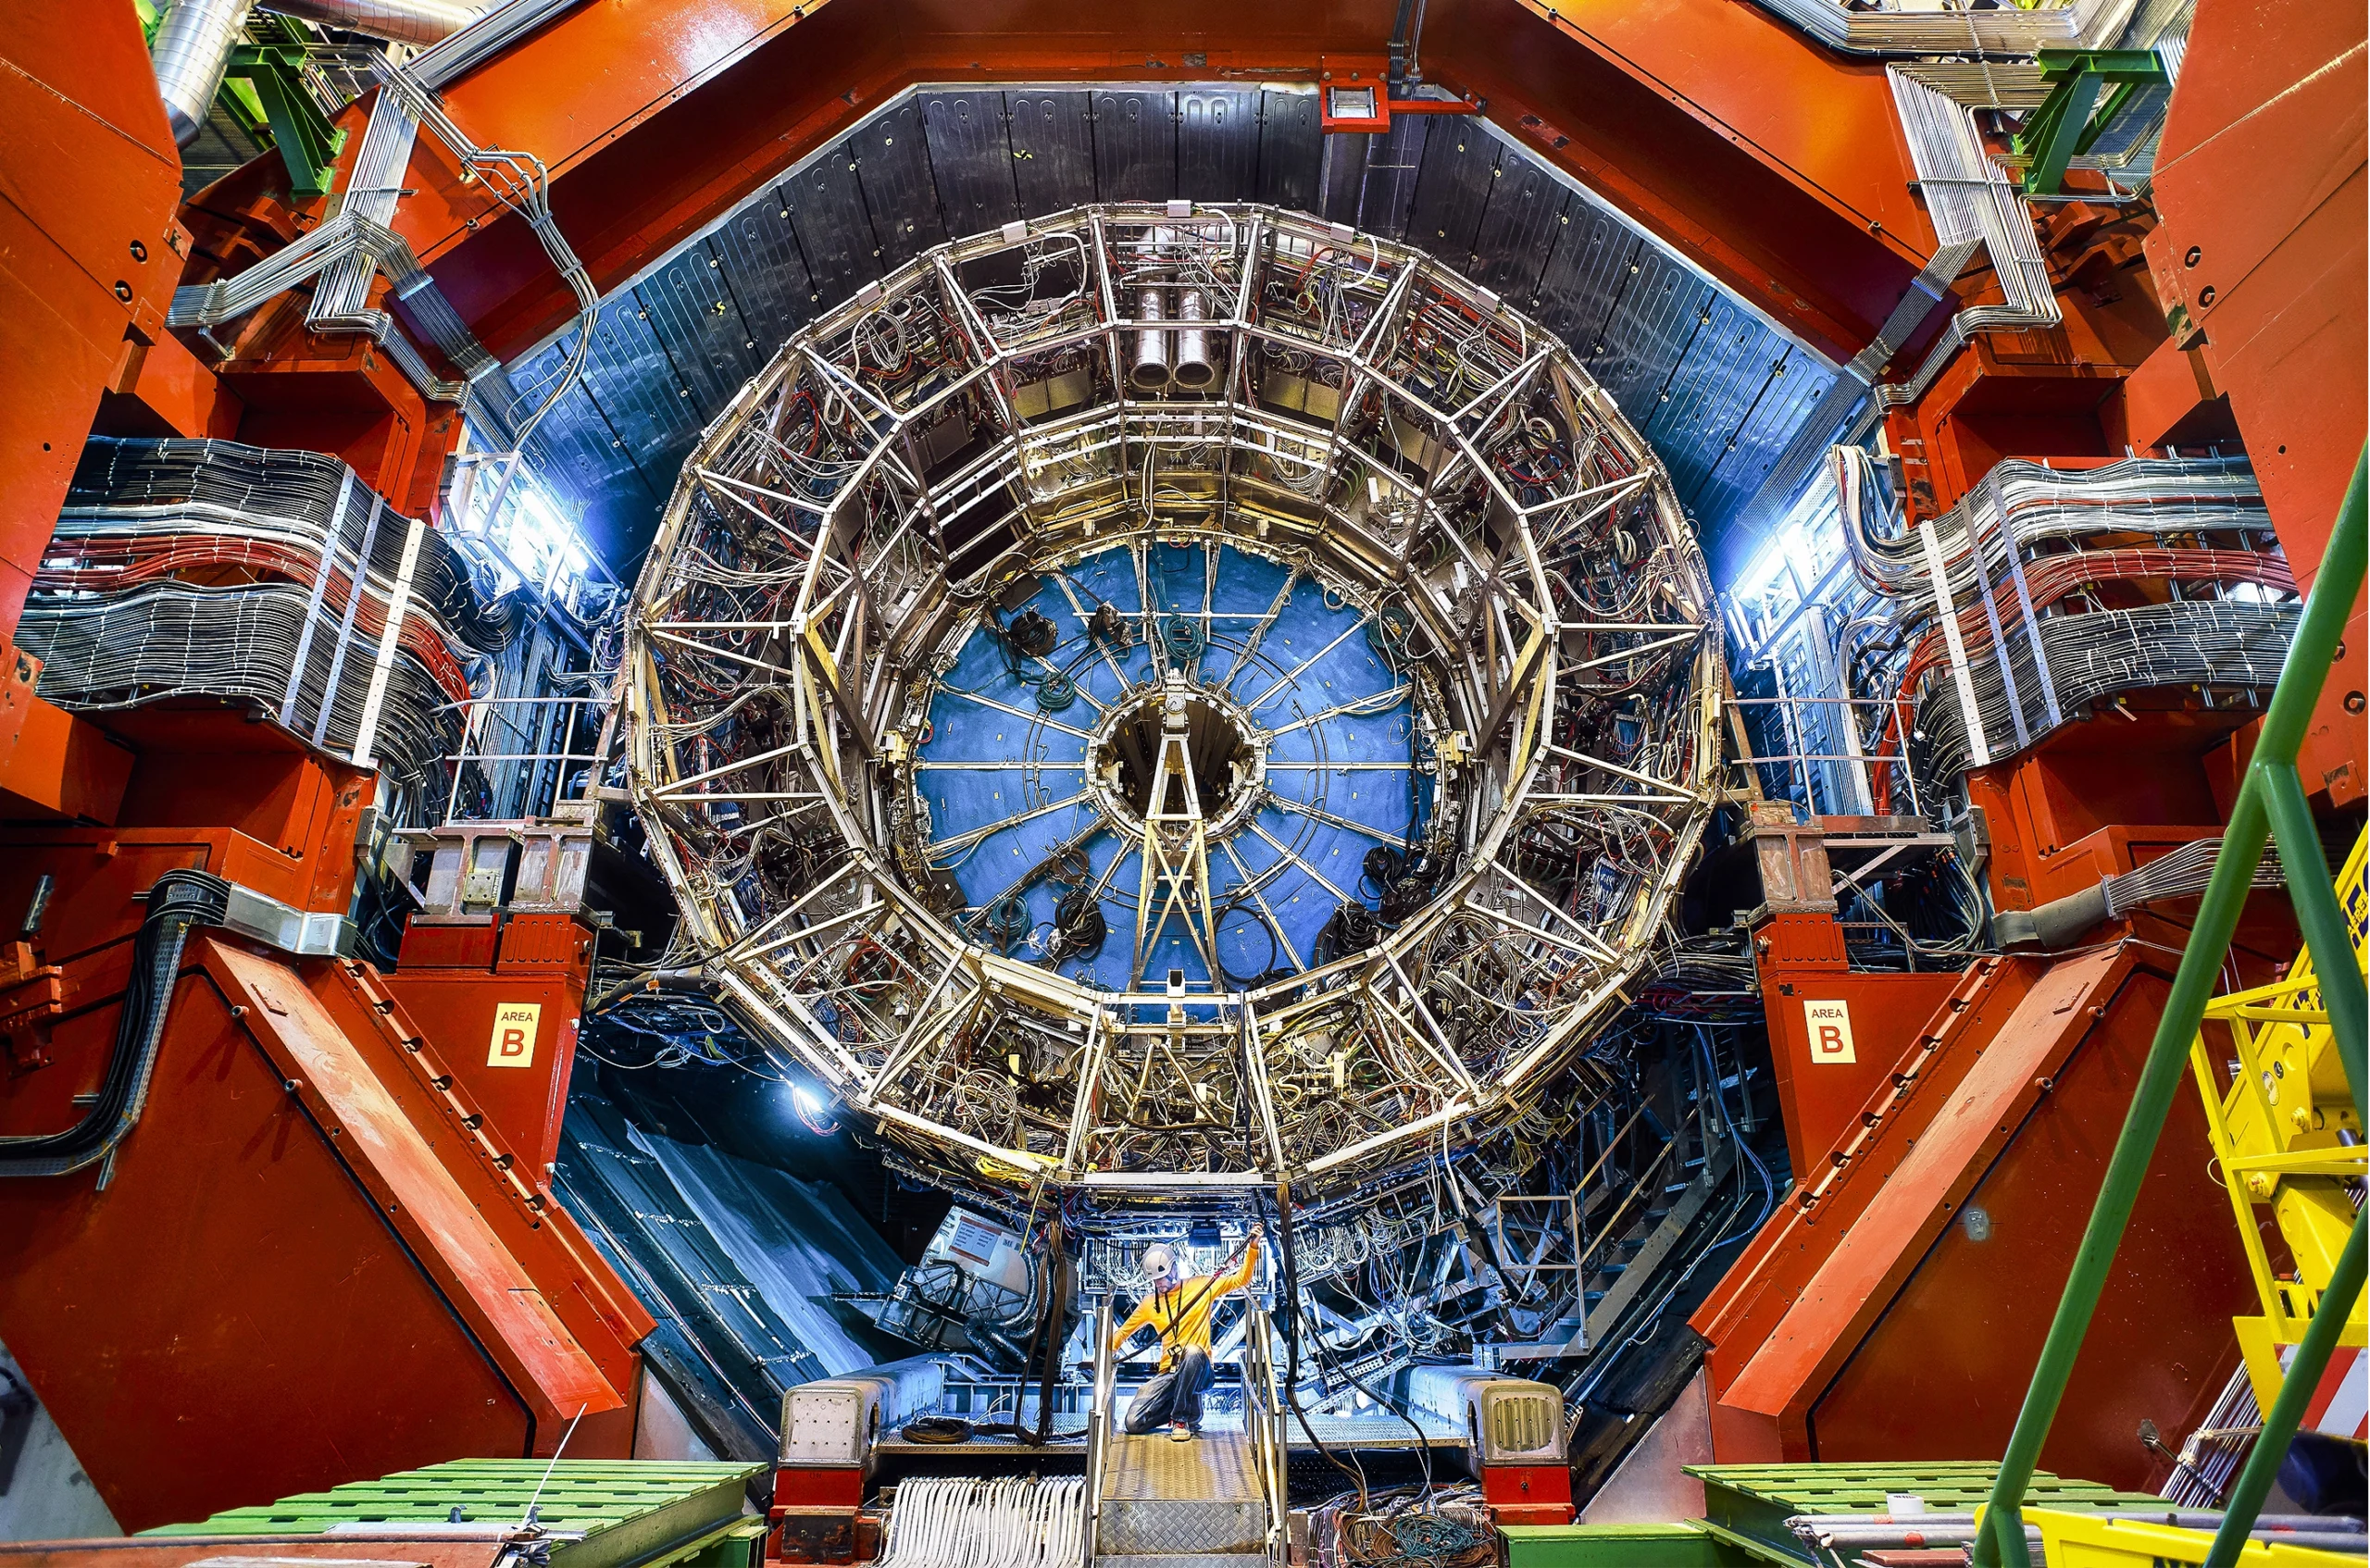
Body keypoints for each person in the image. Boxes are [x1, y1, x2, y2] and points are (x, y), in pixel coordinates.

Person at [1112, 1236, 1261, 1441]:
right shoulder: (1149, 1303)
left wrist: (1253, 1247)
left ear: (1174, 1269)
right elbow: (1122, 1333)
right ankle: (1190, 1410)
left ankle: (1180, 1420)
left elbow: (1241, 1280)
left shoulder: (1200, 1286)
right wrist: (1103, 1354)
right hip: (1169, 1373)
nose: (1158, 1283)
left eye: (1162, 1277)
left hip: (1200, 1369)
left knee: (1192, 1351)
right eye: (1154, 1280)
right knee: (1134, 1423)